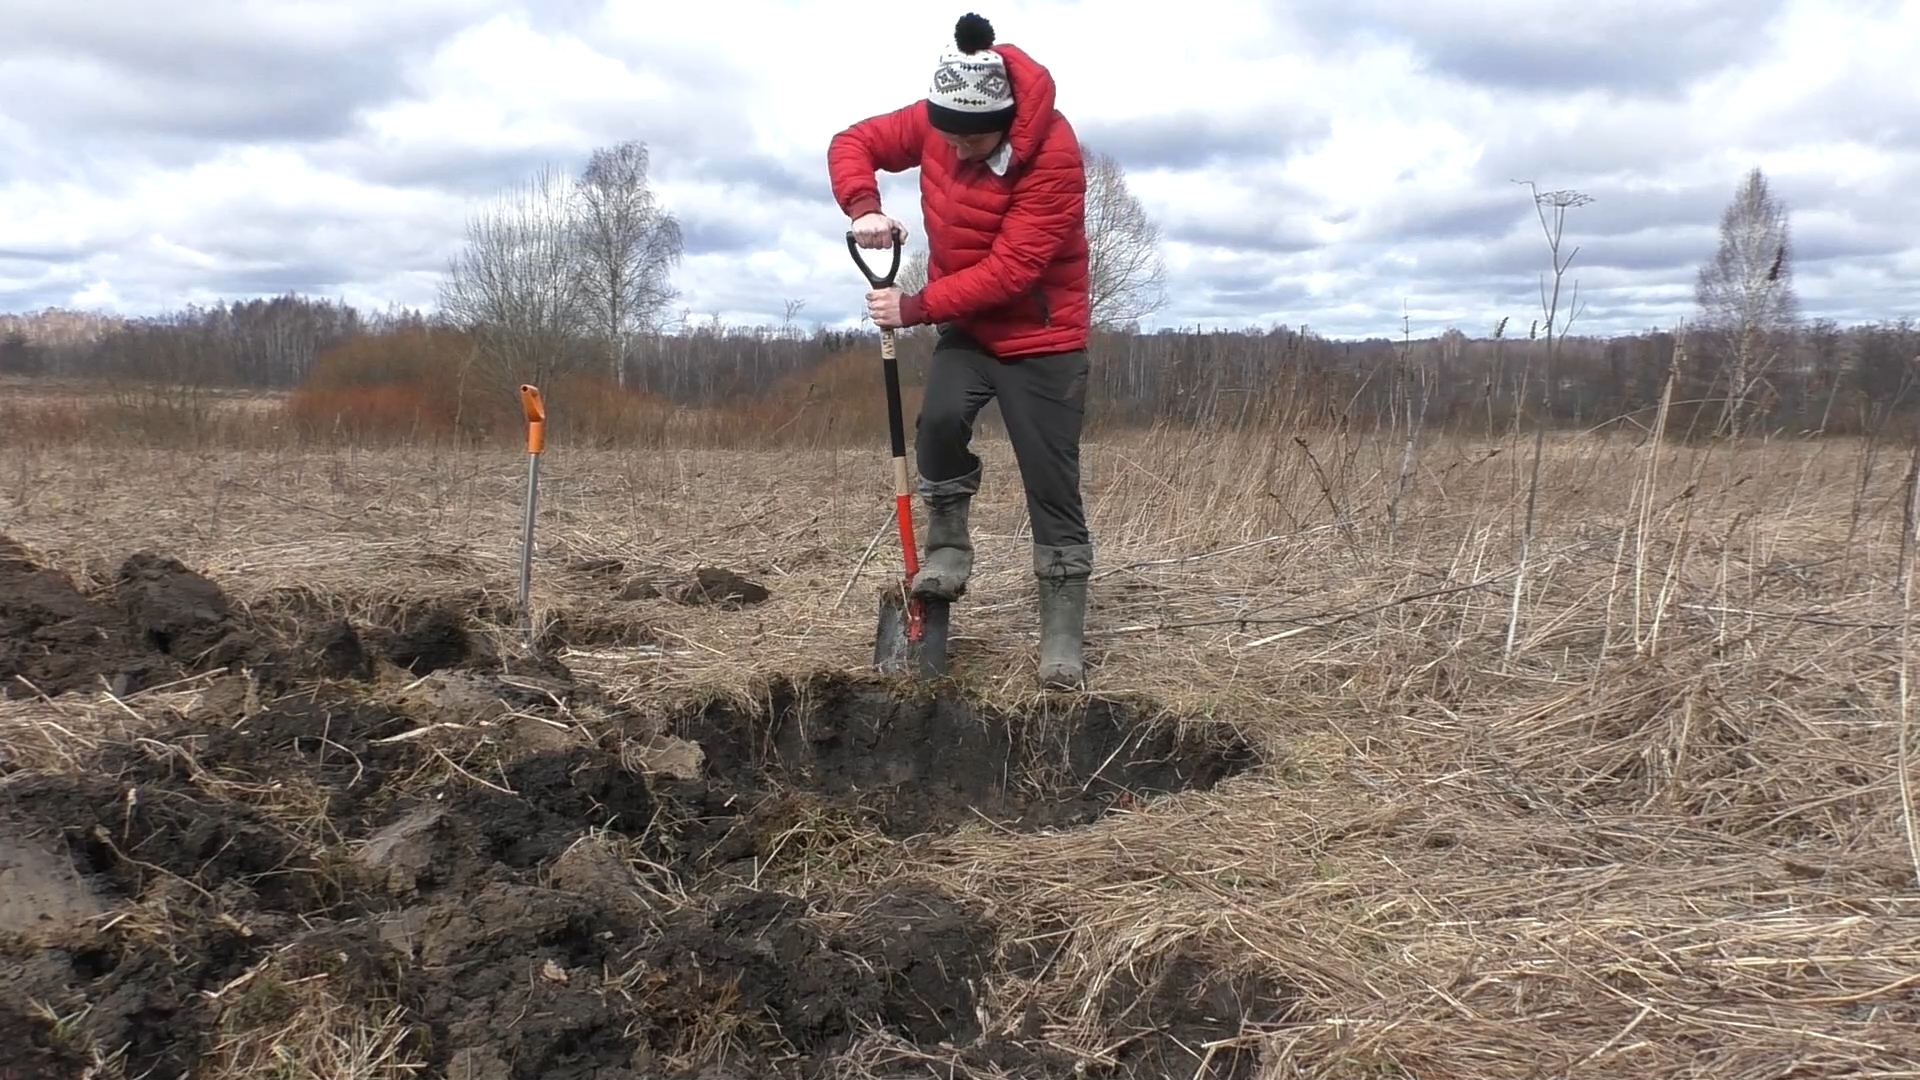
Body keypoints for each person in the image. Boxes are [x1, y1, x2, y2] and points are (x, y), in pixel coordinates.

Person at [827, 11, 1093, 690]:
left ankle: (1061, 628)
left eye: (972, 140)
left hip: (1042, 339)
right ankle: (948, 547)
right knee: (939, 427)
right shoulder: (940, 124)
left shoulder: (1055, 156)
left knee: (1050, 482)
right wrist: (863, 206)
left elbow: (1013, 271)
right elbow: (853, 140)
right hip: (970, 334)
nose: (957, 151)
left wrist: (912, 307)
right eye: (947, 138)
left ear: (1004, 121)